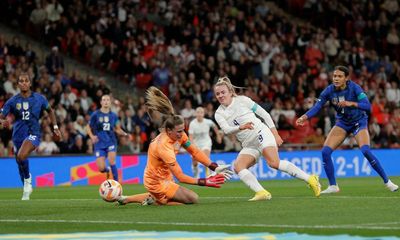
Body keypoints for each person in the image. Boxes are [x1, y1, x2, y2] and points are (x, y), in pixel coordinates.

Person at [117, 87, 233, 206]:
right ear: (169, 131)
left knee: (179, 199)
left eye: (183, 130)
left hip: (166, 176)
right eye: (178, 131)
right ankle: (156, 200)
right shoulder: (163, 146)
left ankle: (130, 199)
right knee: (192, 198)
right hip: (155, 181)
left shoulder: (180, 135)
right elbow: (181, 176)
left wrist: (214, 167)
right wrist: (205, 181)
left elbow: (194, 151)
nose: (182, 133)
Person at [213, 76, 321, 201]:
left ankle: (311, 179)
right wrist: (241, 127)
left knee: (273, 163)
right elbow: (226, 130)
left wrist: (275, 134)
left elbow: (264, 114)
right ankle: (262, 192)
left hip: (261, 133)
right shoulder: (219, 113)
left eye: (223, 92)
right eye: (217, 94)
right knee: (238, 166)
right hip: (249, 144)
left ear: (230, 92)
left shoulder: (243, 100)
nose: (220, 95)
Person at [296, 65, 399, 193]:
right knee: (325, 152)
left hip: (358, 122)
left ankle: (387, 182)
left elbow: (368, 106)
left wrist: (352, 103)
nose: (336, 79)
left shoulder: (355, 88)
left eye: (339, 76)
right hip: (343, 123)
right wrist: (304, 117)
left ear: (346, 78)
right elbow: (318, 106)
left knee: (365, 150)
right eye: (334, 76)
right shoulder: (329, 91)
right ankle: (333, 186)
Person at [0, 73, 61, 200]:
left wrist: (55, 127)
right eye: (20, 81)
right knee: (20, 162)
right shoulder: (12, 101)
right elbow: (1, 117)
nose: (23, 83)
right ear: (18, 84)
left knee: (22, 155)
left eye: (26, 80)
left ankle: (28, 180)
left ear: (30, 83)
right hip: (17, 136)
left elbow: (50, 111)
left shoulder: (40, 99)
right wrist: (2, 121)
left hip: (34, 134)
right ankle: (26, 188)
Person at [86, 94, 127, 182]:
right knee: (101, 168)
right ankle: (107, 170)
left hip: (111, 142)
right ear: (101, 102)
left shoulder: (114, 116)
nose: (106, 102)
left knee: (112, 161)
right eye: (104, 100)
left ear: (110, 103)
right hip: (99, 143)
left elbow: (117, 128)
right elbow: (88, 127)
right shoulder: (95, 115)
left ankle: (117, 185)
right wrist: (92, 136)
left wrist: (125, 134)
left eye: (108, 100)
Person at [188, 106, 221, 178]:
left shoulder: (208, 122)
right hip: (195, 144)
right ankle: (196, 173)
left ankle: (208, 175)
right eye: (198, 112)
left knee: (205, 158)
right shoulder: (192, 123)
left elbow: (215, 126)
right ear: (195, 114)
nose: (199, 114)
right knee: (195, 162)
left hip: (206, 142)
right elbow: (190, 136)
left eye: (201, 112)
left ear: (203, 114)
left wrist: (218, 135)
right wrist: (192, 145)